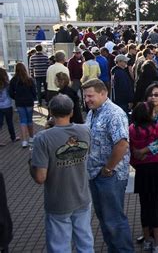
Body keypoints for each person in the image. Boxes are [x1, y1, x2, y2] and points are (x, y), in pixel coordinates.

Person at [29, 94, 94, 252]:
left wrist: (31, 162)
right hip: (82, 196)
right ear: (72, 112)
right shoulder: (85, 131)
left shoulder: (42, 138)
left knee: (59, 245)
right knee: (85, 241)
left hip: (58, 201)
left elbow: (40, 177)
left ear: (50, 111)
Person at [82, 79, 134, 252]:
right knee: (104, 218)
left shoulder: (114, 113)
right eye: (85, 97)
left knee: (114, 220)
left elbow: (122, 144)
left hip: (110, 176)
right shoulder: (93, 112)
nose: (87, 100)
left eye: (90, 96)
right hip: (95, 174)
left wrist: (108, 168)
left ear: (103, 93)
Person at [129, 102, 158, 253]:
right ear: (149, 115)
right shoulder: (156, 128)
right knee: (155, 206)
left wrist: (137, 161)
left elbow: (130, 151)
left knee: (144, 206)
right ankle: (157, 243)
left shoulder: (131, 129)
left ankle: (147, 240)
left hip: (141, 171)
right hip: (156, 171)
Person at [9, 63, 36, 149]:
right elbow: (34, 92)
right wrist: (33, 98)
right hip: (29, 101)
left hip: (19, 102)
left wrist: (16, 97)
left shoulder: (13, 80)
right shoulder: (29, 79)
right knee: (29, 120)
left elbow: (10, 93)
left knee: (23, 120)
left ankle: (24, 141)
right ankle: (31, 137)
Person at [0, 68, 18, 146]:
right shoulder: (7, 84)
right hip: (7, 105)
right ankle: (13, 137)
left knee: (0, 123)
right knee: (9, 122)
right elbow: (11, 94)